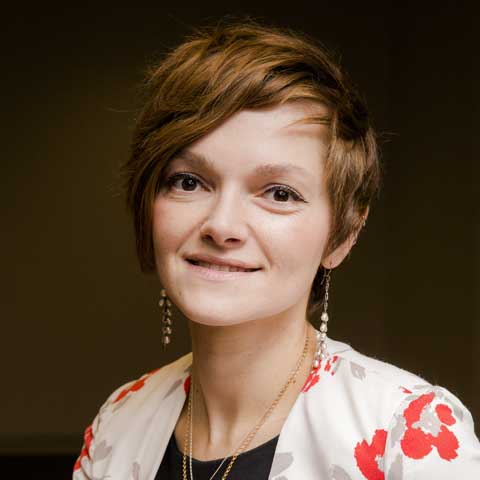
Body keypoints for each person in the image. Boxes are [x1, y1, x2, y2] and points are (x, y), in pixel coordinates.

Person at [72, 19, 480, 480]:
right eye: (189, 182)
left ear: (343, 234)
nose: (221, 225)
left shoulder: (407, 432)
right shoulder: (119, 422)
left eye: (279, 193)